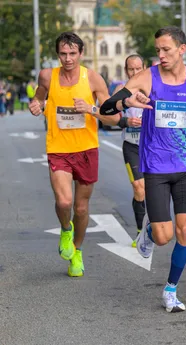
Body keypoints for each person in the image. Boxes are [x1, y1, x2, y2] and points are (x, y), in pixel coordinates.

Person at [99, 26, 186, 313]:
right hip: (156, 166)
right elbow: (108, 106)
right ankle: (149, 231)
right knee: (164, 236)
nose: (160, 55)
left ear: (182, 49)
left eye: (166, 50)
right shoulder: (147, 77)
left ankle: (171, 289)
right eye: (157, 50)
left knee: (184, 231)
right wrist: (127, 101)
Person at [28, 32, 119, 277]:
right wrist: (36, 104)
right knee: (64, 202)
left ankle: (77, 251)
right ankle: (65, 229)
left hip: (86, 149)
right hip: (58, 148)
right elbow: (39, 96)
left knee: (80, 208)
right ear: (58, 54)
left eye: (72, 53)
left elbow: (114, 117)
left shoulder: (92, 79)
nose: (67, 59)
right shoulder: (48, 75)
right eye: (63, 54)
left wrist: (90, 109)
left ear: (80, 53)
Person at [113, 54, 147, 247]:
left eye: (138, 69)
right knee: (138, 188)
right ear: (126, 71)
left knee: (151, 189)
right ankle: (140, 230)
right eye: (131, 69)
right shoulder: (121, 90)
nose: (134, 73)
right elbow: (108, 115)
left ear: (144, 68)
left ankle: (153, 225)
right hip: (131, 145)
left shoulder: (151, 89)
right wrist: (126, 121)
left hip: (151, 146)